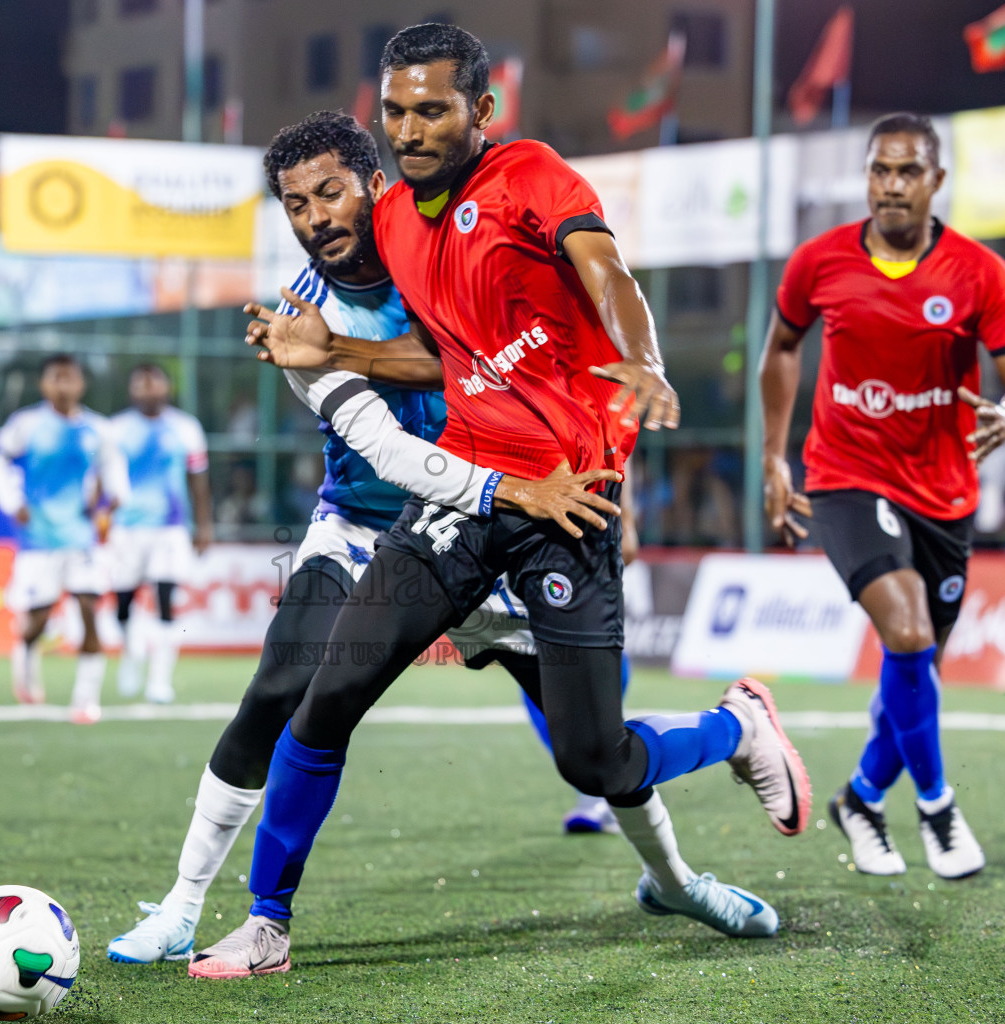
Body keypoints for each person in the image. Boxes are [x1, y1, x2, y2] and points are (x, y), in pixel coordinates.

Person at [192, 26, 810, 979]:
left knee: (592, 762)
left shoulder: (531, 175)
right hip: (466, 491)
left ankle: (738, 729)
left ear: (481, 111)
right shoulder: (393, 219)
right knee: (326, 700)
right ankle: (265, 922)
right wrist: (337, 352)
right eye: (394, 111)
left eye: (432, 109)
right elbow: (442, 357)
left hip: (568, 504)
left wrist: (640, 359)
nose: (409, 128)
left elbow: (605, 271)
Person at [105, 110, 626, 968]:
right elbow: (393, 450)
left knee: (592, 744)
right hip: (365, 528)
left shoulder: (439, 255)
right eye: (295, 205)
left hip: (485, 529)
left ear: (373, 186)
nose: (314, 218)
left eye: (329, 193)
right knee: (281, 688)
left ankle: (672, 871)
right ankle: (184, 906)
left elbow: (505, 362)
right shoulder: (296, 318)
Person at [760, 112, 1005, 879]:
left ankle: (857, 799)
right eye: (880, 170)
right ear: (866, 176)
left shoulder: (979, 273)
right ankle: (937, 811)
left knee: (916, 666)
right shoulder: (818, 263)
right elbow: (781, 348)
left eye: (908, 171)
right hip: (846, 477)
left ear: (935, 180)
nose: (891, 184)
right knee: (909, 632)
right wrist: (773, 456)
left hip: (944, 492)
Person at [0, 354, 128, 725]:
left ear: (81, 384)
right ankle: (25, 659)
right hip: (39, 539)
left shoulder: (99, 429)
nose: (63, 385)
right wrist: (12, 502)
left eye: (70, 378)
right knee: (37, 620)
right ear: (44, 384)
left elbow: (114, 472)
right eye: (56, 378)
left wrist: (110, 504)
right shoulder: (26, 424)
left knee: (88, 609)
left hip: (82, 540)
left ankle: (86, 699)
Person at [107, 364, 214, 703]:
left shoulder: (185, 428)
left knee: (166, 600)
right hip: (125, 528)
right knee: (123, 603)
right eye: (142, 385)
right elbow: (100, 478)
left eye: (155, 385)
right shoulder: (116, 429)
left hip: (170, 529)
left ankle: (159, 681)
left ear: (167, 389)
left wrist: (204, 524)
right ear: (132, 390)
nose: (149, 391)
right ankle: (131, 653)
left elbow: (198, 481)